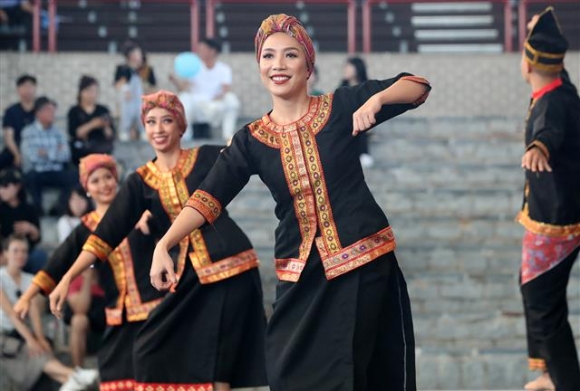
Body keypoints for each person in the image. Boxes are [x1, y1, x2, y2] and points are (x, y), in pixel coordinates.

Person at [151, 14, 430, 391]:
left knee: (352, 372)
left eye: (290, 55)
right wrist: (165, 243)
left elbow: (417, 86)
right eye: (268, 56)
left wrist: (377, 98)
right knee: (286, 371)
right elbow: (208, 196)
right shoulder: (251, 138)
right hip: (301, 273)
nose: (277, 65)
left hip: (362, 261)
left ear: (308, 65)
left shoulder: (339, 107)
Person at [47, 92, 267, 391]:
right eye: (151, 122)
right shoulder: (141, 181)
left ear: (181, 127)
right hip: (190, 276)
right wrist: (68, 277)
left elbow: (248, 148)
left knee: (218, 358)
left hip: (232, 264)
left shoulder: (204, 158)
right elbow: (105, 234)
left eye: (167, 120)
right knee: (152, 349)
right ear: (143, 127)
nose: (159, 128)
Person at [14, 153, 164, 390]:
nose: (103, 184)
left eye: (108, 177)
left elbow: (174, 224)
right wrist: (27, 295)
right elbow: (57, 262)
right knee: (117, 377)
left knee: (158, 373)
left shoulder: (140, 210)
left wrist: (154, 218)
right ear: (87, 189)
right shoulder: (85, 228)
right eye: (95, 181)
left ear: (116, 180)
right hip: (119, 313)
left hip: (155, 307)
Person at [516, 7, 580, 391]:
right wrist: (539, 27)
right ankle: (547, 373)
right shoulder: (561, 87)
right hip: (555, 213)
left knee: (541, 298)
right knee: (533, 288)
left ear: (527, 64)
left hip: (554, 221)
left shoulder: (553, 103)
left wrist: (539, 148)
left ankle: (563, 380)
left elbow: (549, 131)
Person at [0, 234, 99, 391]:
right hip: (5, 336)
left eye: (24, 251)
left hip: (24, 333)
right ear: (5, 253)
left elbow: (33, 312)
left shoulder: (30, 279)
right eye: (15, 251)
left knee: (43, 346)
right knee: (32, 351)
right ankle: (75, 374)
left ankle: (72, 379)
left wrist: (39, 337)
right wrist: (31, 340)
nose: (20, 255)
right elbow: (12, 314)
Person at [171, 37, 241, 140]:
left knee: (232, 99)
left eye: (202, 49)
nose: (200, 52)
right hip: (198, 106)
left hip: (215, 105)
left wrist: (219, 97)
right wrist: (175, 81)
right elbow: (183, 89)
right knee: (184, 97)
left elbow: (225, 89)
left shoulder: (224, 69)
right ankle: (185, 137)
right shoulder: (194, 68)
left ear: (212, 51)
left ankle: (228, 135)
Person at [20, 96, 78, 216]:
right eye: (48, 110)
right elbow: (31, 157)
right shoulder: (28, 132)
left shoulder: (59, 132)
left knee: (75, 175)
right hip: (37, 172)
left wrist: (45, 153)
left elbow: (66, 155)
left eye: (53, 110)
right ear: (38, 112)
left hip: (56, 171)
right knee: (31, 177)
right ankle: (37, 210)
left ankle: (58, 208)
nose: (52, 113)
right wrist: (55, 152)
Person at [0, 167, 47, 273]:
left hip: (26, 254)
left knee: (39, 255)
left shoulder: (29, 209)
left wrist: (31, 229)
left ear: (17, 187)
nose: (1, 190)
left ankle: (37, 288)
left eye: (5, 186)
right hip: (6, 254)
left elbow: (37, 238)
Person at [68, 75, 115, 165]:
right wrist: (93, 124)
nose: (93, 94)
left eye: (95, 91)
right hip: (81, 155)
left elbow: (111, 135)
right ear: (82, 92)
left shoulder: (103, 110)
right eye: (90, 91)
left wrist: (105, 126)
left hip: (101, 153)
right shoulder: (74, 111)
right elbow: (76, 133)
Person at [341, 57, 374, 168]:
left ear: (357, 68)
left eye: (348, 67)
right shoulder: (341, 89)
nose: (345, 69)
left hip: (363, 122)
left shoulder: (367, 88)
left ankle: (363, 154)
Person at [0, 74, 37, 171]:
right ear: (18, 89)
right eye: (24, 86)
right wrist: (17, 155)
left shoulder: (41, 110)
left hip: (37, 148)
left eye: (30, 86)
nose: (28, 90)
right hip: (15, 148)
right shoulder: (11, 111)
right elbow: (9, 138)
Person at [114, 41, 146, 141]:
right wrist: (125, 89)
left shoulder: (143, 70)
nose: (140, 56)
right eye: (137, 53)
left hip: (139, 101)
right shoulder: (122, 68)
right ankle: (124, 133)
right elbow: (118, 84)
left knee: (141, 116)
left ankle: (143, 132)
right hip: (127, 101)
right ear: (131, 55)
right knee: (126, 117)